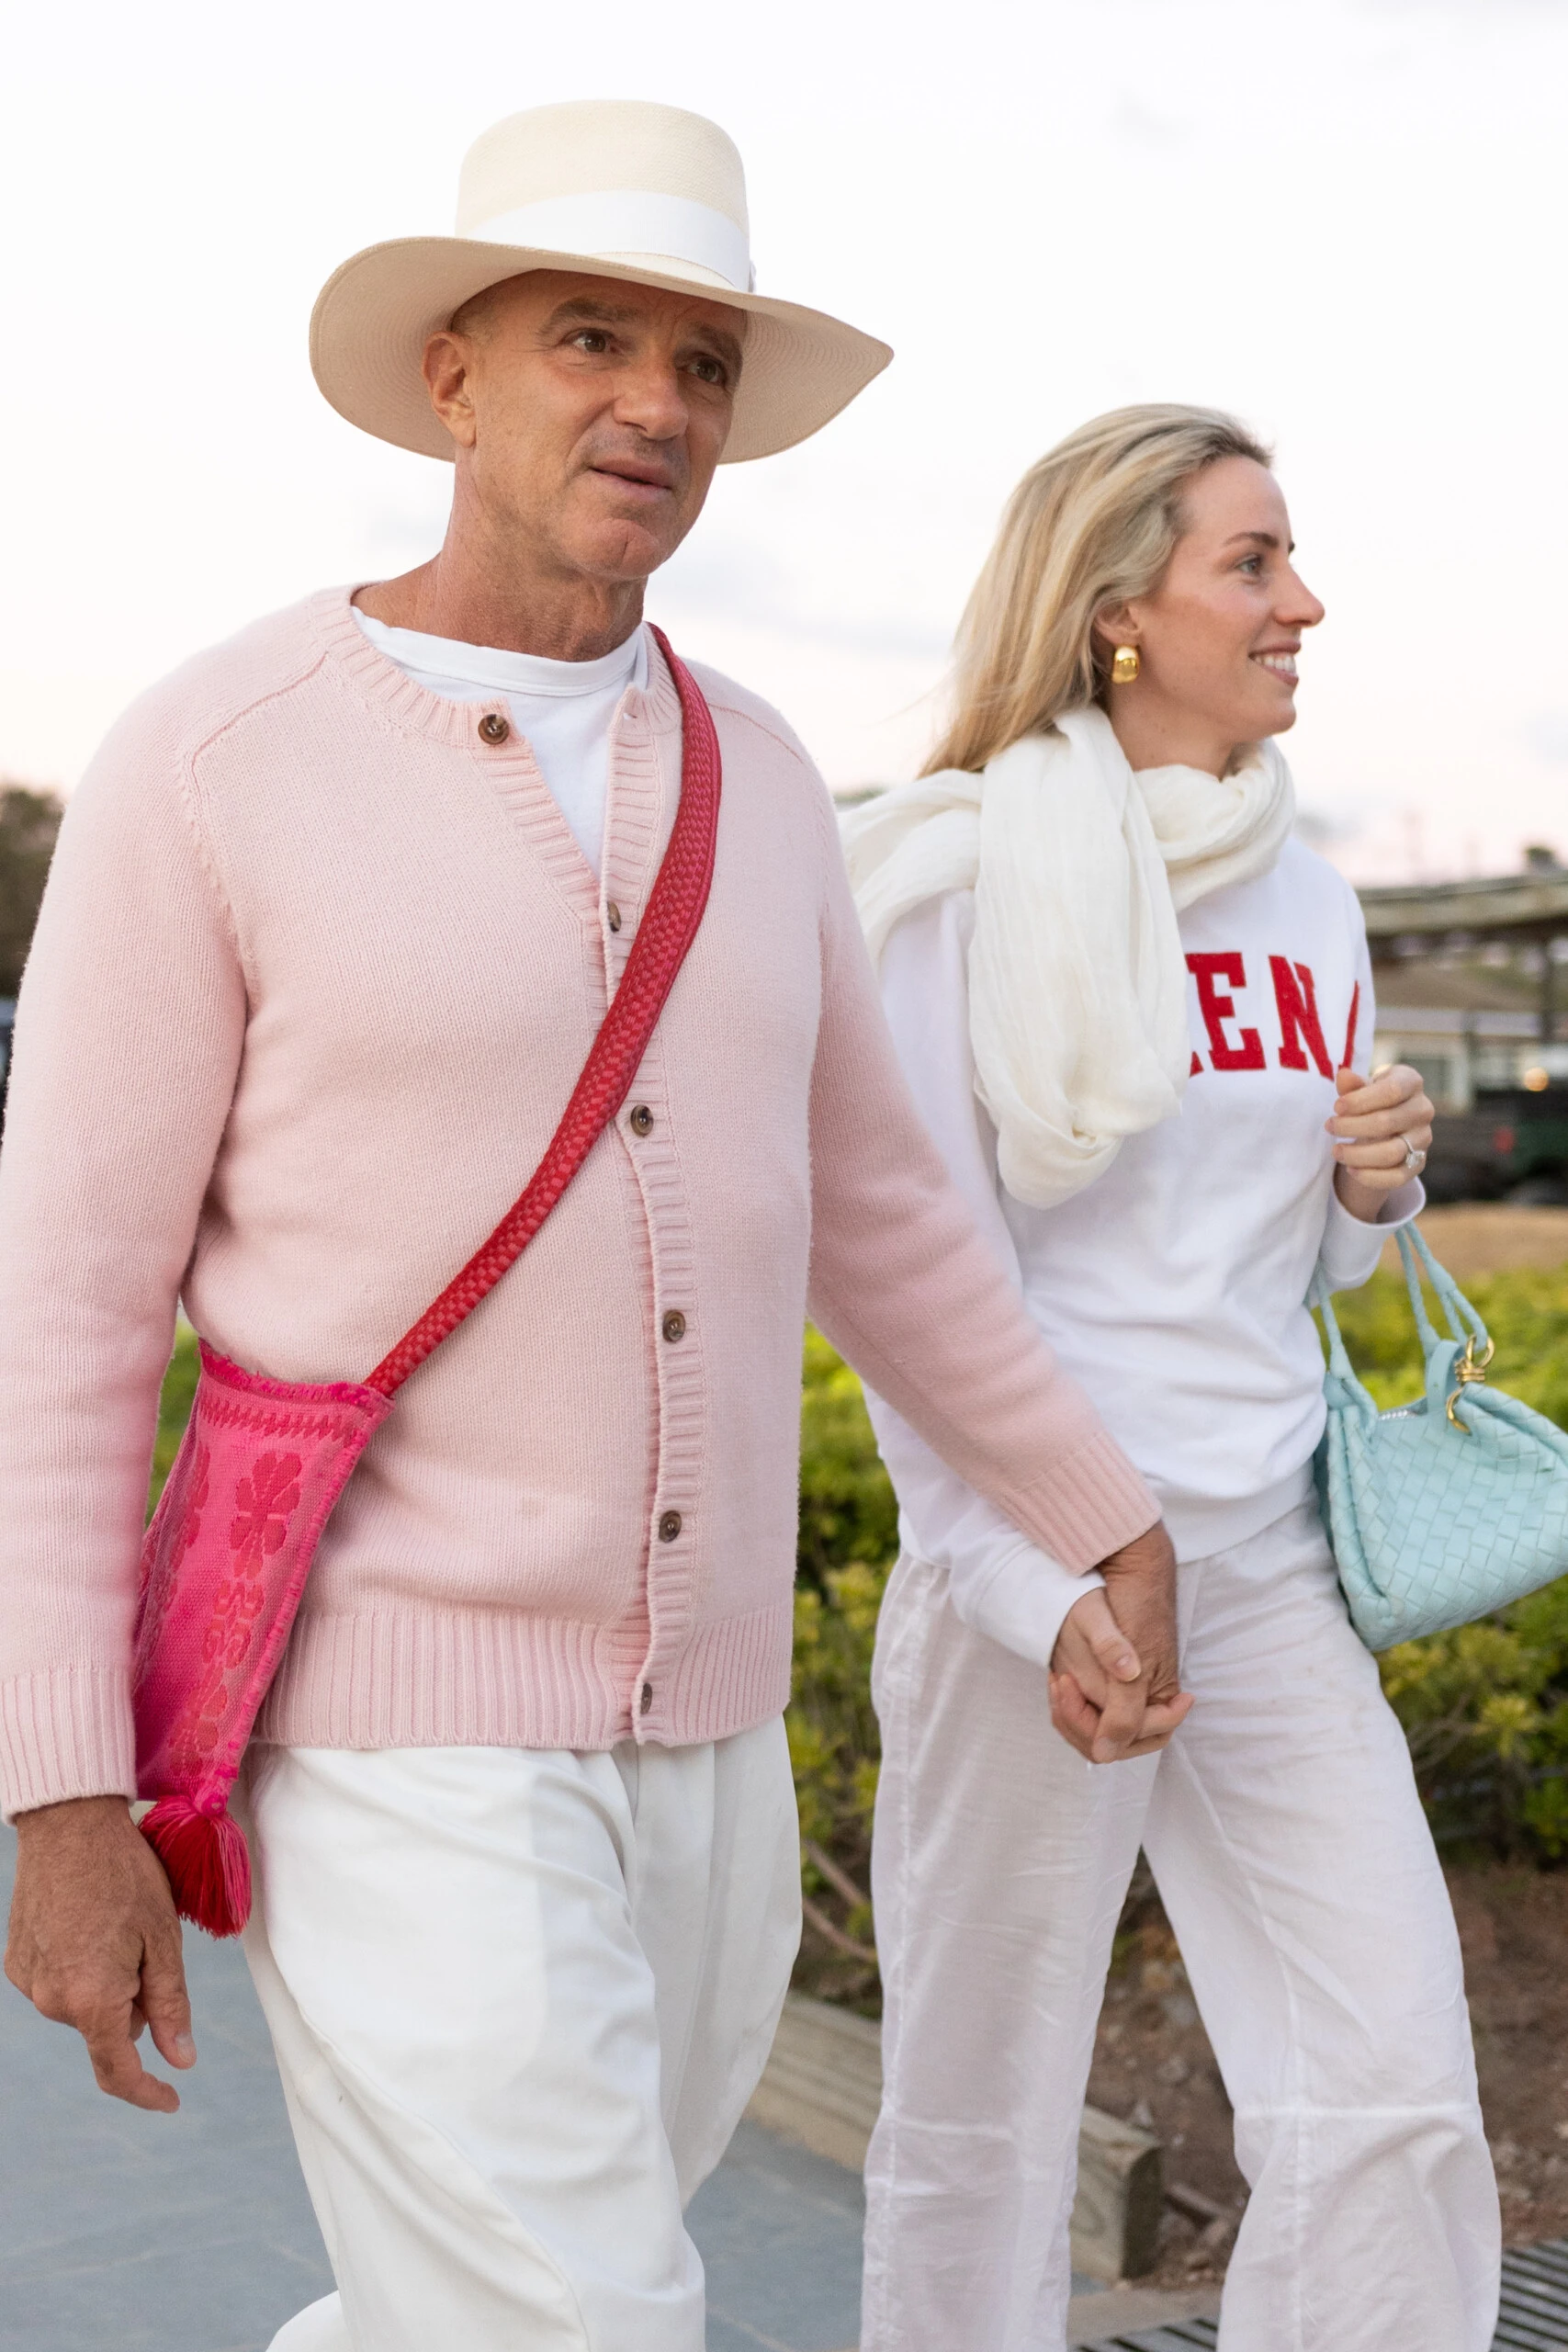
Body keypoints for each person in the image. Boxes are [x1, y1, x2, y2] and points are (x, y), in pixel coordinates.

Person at [0, 107, 1179, 2352]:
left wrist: (1090, 1507)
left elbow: (885, 1210)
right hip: (389, 1716)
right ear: (452, 375)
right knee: (591, 2318)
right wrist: (59, 1792)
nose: (654, 399)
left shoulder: (753, 768)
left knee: (498, 2294)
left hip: (713, 1730)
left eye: (702, 360)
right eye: (587, 337)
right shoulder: (215, 753)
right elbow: (58, 1311)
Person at [843, 404, 1501, 2352]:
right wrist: (1038, 1577)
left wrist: (1366, 1189)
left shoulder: (1307, 889)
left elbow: (1282, 1269)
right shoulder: (950, 884)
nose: (1303, 599)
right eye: (1253, 559)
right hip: (1029, 1579)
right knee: (980, 2119)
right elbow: (914, 1294)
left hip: (1267, 1558)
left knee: (1389, 2083)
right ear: (1118, 606)